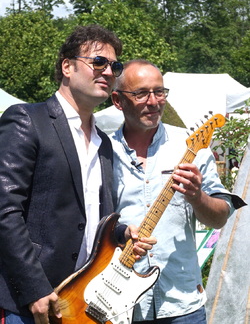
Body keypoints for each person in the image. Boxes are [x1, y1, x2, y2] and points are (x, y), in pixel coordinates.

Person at [0, 27, 155, 324]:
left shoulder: (104, 143)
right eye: (99, 62)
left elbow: (93, 216)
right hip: (31, 303)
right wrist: (35, 289)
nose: (109, 72)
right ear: (67, 67)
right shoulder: (27, 120)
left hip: (84, 300)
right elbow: (5, 211)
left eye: (115, 66)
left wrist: (121, 234)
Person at [110, 59, 245, 324]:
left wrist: (197, 196)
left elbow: (218, 219)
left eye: (159, 92)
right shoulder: (102, 152)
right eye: (141, 93)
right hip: (119, 305)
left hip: (181, 304)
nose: (154, 101)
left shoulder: (191, 148)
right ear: (117, 100)